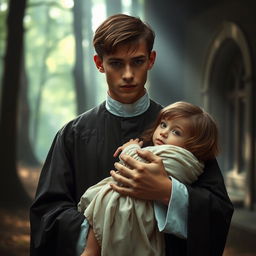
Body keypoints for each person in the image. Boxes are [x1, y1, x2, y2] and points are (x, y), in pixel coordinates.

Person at [30, 14, 233, 256]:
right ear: (99, 63)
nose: (128, 74)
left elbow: (218, 210)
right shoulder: (73, 134)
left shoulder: (185, 130)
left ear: (151, 59)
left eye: (137, 61)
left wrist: (167, 192)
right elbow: (48, 212)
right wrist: (104, 231)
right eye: (116, 63)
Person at [78, 101, 219, 256]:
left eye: (176, 132)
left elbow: (134, 162)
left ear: (194, 145)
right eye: (163, 125)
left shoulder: (178, 156)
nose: (164, 132)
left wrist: (131, 148)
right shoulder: (74, 129)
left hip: (138, 211)